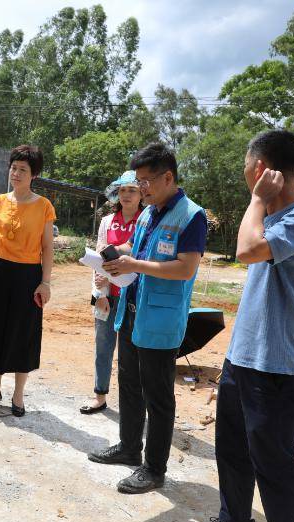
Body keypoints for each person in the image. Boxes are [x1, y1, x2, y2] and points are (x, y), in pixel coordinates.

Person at [189, 130, 294, 522]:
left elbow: (245, 251)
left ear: (266, 172)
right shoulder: (273, 218)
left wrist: (254, 202)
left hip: (276, 366)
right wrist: (259, 207)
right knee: (231, 447)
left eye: (248, 171)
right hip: (242, 358)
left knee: (275, 463)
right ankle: (235, 521)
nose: (245, 180)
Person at [88, 142, 207, 494]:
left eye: (144, 181)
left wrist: (133, 264)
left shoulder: (191, 216)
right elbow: (135, 249)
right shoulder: (148, 212)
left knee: (158, 396)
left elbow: (185, 268)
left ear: (167, 177)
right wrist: (114, 254)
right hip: (132, 311)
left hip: (161, 320)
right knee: (129, 384)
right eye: (137, 181)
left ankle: (154, 468)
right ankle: (128, 447)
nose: (140, 188)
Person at [0, 145, 56, 417]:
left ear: (34, 175)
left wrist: (46, 282)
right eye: (14, 168)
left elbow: (47, 248)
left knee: (23, 334)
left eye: (23, 170)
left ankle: (18, 396)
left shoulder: (44, 206)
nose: (16, 173)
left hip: (29, 276)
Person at [80, 172, 144, 415]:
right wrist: (101, 293)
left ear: (141, 195)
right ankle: (99, 395)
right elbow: (98, 258)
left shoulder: (145, 222)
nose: (127, 194)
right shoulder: (107, 221)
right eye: (123, 190)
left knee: (132, 350)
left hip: (134, 296)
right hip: (108, 294)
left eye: (132, 190)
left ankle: (133, 403)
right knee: (103, 345)